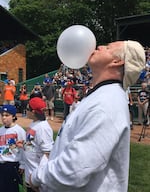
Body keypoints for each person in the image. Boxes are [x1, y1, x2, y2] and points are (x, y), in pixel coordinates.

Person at [29, 40, 145, 192]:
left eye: (108, 47)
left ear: (117, 61)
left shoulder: (107, 103)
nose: (100, 46)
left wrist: (37, 177)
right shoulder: (100, 95)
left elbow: (75, 169)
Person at [17, 97, 54, 192]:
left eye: (28, 109)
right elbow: (34, 145)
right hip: (30, 173)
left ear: (33, 112)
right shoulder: (35, 123)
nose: (26, 111)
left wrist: (38, 177)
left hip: (37, 177)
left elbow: (47, 153)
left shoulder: (43, 128)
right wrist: (25, 144)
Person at [0, 105, 26, 192]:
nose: (4, 118)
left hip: (13, 164)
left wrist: (22, 164)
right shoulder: (1, 130)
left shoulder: (18, 130)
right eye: (2, 115)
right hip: (2, 163)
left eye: (7, 115)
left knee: (12, 188)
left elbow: (24, 149)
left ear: (14, 116)